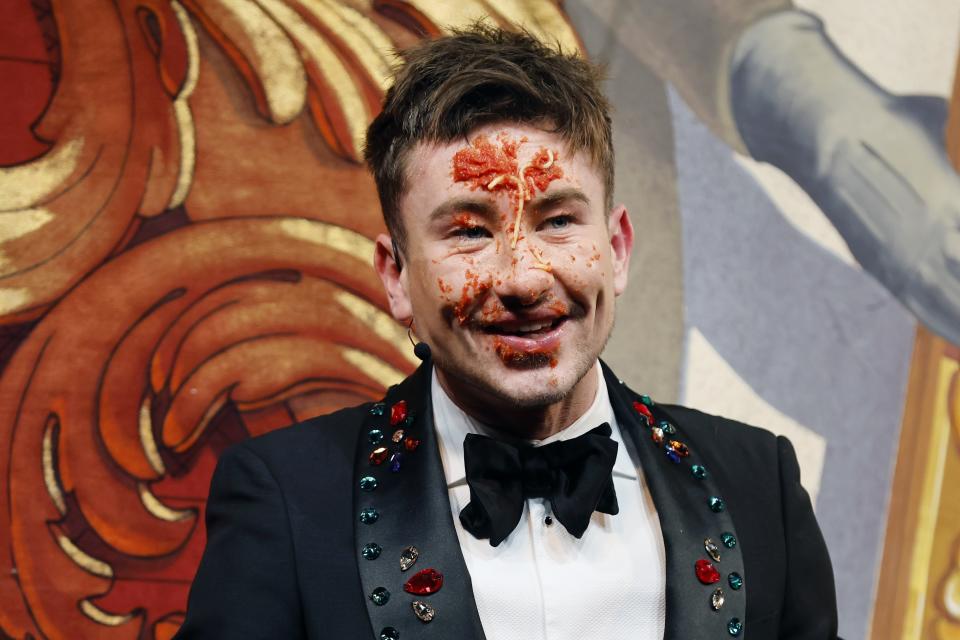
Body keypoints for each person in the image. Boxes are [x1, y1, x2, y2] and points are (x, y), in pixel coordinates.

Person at [176, 25, 839, 640]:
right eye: (468, 231)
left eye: (557, 222)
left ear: (618, 248)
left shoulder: (761, 486)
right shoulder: (285, 500)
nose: (523, 278)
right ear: (397, 276)